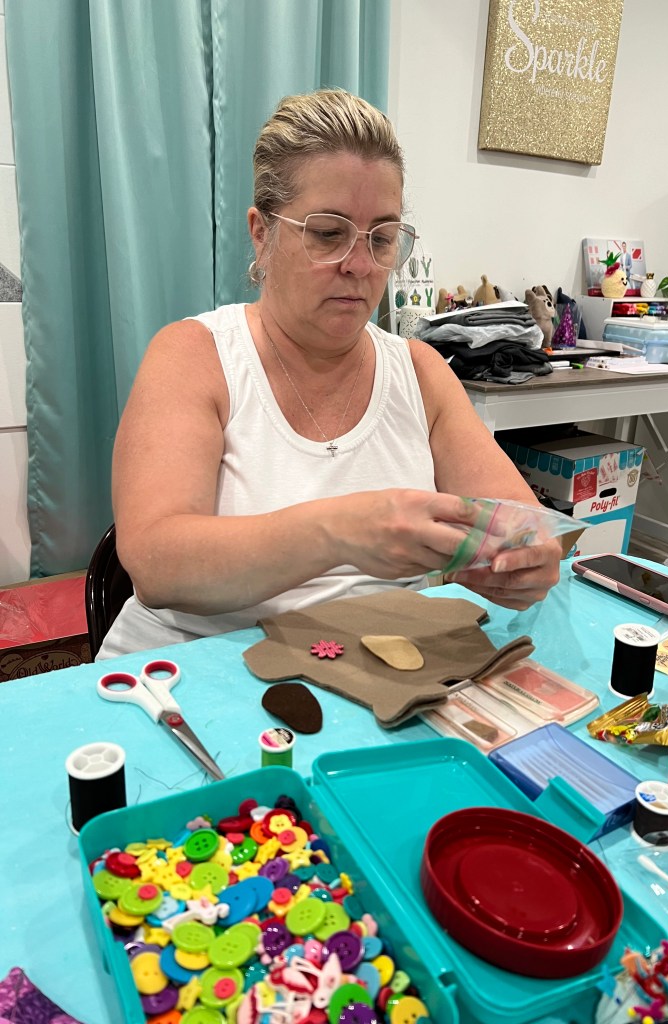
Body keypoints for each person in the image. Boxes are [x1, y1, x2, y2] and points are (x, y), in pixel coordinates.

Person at [98, 89, 562, 658]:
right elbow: (158, 566)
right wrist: (344, 531)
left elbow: (525, 528)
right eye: (327, 233)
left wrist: (524, 563)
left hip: (370, 673)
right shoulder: (197, 356)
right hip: (187, 670)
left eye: (382, 238)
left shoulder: (419, 372)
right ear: (262, 233)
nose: (360, 265)